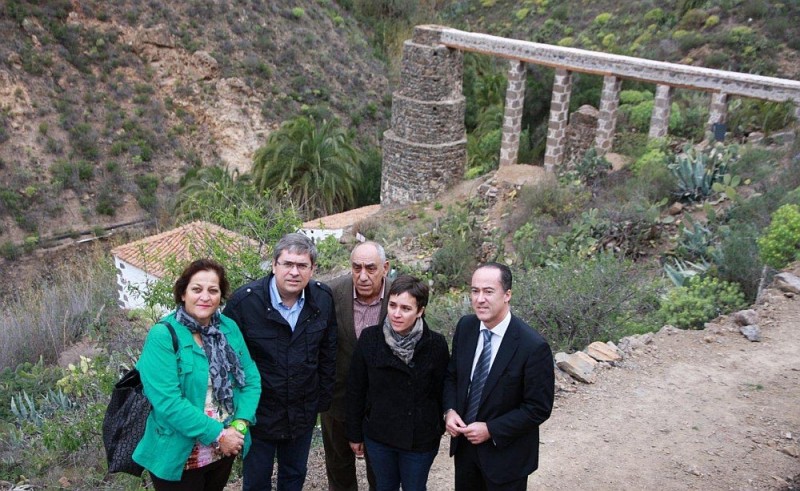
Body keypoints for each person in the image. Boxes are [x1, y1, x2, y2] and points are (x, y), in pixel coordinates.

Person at [134, 258, 261, 491]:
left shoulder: (228, 328)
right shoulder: (163, 336)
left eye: (213, 290)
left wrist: (239, 425)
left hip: (223, 450)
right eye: (196, 289)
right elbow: (168, 402)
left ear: (220, 297)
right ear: (183, 293)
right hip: (179, 455)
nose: (205, 296)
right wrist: (219, 435)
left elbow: (251, 379)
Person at [223, 232, 337, 491]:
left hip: (302, 411)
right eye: (288, 264)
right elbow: (229, 362)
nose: (294, 272)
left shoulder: (322, 299)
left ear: (312, 269)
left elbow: (329, 353)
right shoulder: (244, 302)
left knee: (294, 476)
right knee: (256, 481)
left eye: (302, 265)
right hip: (258, 414)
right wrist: (238, 411)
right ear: (274, 265)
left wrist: (321, 400)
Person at [443, 263, 555, 491]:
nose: (480, 299)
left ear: (507, 295)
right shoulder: (466, 327)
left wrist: (491, 429)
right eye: (475, 291)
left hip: (506, 458)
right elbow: (453, 376)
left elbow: (538, 407)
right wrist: (450, 410)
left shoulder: (532, 346)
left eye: (488, 291)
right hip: (465, 451)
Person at [346, 275, 450, 491]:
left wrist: (436, 426)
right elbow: (356, 389)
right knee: (384, 487)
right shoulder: (370, 339)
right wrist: (355, 433)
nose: (396, 313)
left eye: (405, 308)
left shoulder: (436, 344)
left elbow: (443, 389)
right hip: (379, 436)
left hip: (420, 440)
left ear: (420, 310)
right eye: (392, 305)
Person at [322, 241, 392, 491]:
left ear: (385, 267)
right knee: (339, 468)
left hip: (383, 405)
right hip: (337, 399)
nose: (362, 276)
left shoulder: (400, 295)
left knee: (382, 473)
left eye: (371, 269)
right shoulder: (330, 293)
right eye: (356, 267)